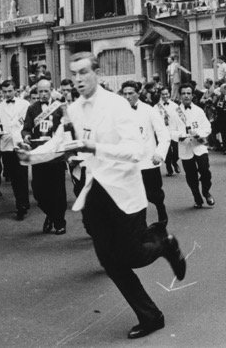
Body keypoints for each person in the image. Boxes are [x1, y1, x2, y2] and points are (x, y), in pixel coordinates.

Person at [18, 52, 186, 340]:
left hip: (123, 190)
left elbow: (135, 151)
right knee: (110, 261)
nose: (79, 79)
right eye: (74, 74)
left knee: (132, 255)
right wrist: (30, 156)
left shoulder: (117, 105)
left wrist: (94, 147)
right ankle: (151, 316)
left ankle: (164, 242)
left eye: (84, 72)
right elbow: (61, 141)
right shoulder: (73, 108)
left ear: (97, 72)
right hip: (95, 190)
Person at [22, 79, 68, 234]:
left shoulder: (59, 107)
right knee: (38, 191)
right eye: (40, 91)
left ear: (51, 90)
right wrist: (27, 137)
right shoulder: (32, 109)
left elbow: (67, 128)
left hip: (55, 155)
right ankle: (51, 215)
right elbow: (26, 128)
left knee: (58, 191)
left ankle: (59, 222)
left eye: (45, 91)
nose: (42, 94)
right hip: (39, 154)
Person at [122, 80, 171, 225]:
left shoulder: (149, 110)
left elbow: (164, 135)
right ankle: (141, 226)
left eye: (131, 93)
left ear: (138, 94)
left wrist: (159, 154)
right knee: (134, 198)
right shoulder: (119, 113)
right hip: (129, 163)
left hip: (148, 161)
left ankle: (161, 209)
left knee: (154, 194)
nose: (127, 97)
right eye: (124, 94)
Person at [0, 80, 31, 220]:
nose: (7, 94)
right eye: (5, 92)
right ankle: (19, 202)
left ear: (15, 90)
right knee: (14, 177)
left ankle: (22, 204)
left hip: (21, 143)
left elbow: (28, 123)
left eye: (10, 91)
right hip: (6, 145)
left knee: (22, 174)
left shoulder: (25, 104)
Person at [177, 83, 214, 208]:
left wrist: (199, 134)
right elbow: (169, 130)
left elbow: (207, 127)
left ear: (192, 95)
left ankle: (206, 192)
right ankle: (197, 196)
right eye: (183, 93)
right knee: (191, 175)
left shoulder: (199, 110)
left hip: (199, 146)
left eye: (188, 93)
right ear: (180, 96)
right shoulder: (175, 112)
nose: (186, 96)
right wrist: (179, 135)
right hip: (185, 147)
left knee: (205, 171)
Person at [156, 86, 183, 176]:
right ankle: (168, 166)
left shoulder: (175, 105)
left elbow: (181, 117)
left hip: (174, 131)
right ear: (160, 95)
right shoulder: (156, 107)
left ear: (169, 94)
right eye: (163, 94)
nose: (165, 96)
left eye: (166, 94)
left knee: (176, 151)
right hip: (164, 132)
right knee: (167, 151)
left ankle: (174, 162)